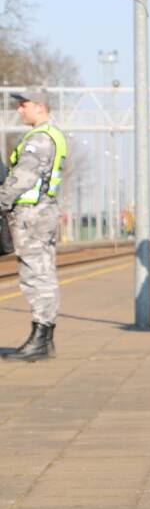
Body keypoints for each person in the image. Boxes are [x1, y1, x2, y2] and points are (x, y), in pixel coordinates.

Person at [0, 89, 67, 361]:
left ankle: (40, 339)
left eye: (23, 105)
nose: (19, 110)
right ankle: (43, 338)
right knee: (43, 272)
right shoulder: (51, 135)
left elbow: (23, 177)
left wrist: (2, 199)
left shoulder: (39, 138)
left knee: (36, 275)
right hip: (42, 212)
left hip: (32, 214)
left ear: (40, 107)